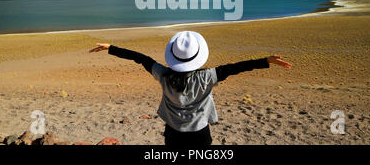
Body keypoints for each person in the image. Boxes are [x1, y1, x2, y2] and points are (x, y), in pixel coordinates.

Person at [89, 30, 292, 146]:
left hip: (173, 132)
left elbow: (140, 58)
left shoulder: (163, 74)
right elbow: (236, 68)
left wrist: (111, 48)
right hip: (199, 132)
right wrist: (267, 60)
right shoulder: (207, 77)